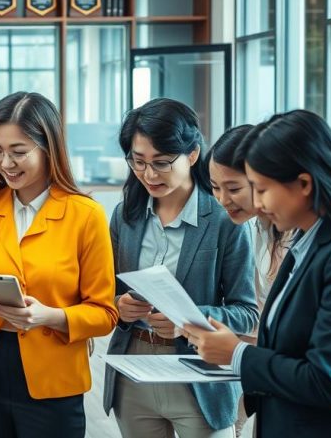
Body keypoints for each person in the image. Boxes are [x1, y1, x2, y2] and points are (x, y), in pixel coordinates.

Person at [183, 110, 331, 438]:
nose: (259, 204)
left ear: (304, 184)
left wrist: (236, 354)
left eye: (261, 189)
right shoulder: (307, 243)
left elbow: (327, 381)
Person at [0, 91, 118, 438]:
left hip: (53, 383)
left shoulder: (86, 215)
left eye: (19, 152)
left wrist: (49, 316)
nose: (6, 163)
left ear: (48, 148)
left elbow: (105, 313)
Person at [103, 98, 258, 438]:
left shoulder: (224, 219)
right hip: (134, 371)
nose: (148, 174)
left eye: (161, 162)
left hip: (199, 374)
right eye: (138, 162)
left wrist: (187, 319)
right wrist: (119, 306)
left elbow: (247, 312)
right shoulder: (124, 216)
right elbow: (107, 293)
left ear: (192, 155)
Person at [205, 124, 292, 436]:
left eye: (234, 187)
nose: (222, 199)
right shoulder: (254, 228)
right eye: (215, 187)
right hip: (259, 361)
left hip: (277, 367)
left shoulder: (306, 235)